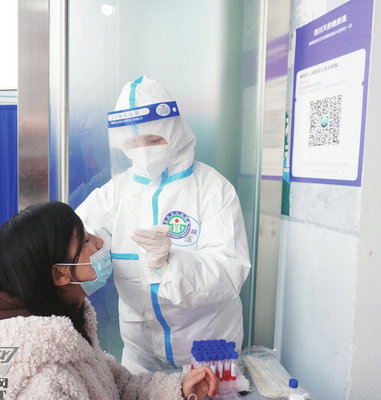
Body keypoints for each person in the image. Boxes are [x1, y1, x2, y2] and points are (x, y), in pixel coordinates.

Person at [0, 201, 219, 400]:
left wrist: (179, 389)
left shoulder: (64, 329)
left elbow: (114, 387)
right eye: (85, 240)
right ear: (60, 273)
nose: (100, 242)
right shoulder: (41, 380)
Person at [76, 76, 252, 373]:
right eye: (133, 143)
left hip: (207, 350)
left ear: (174, 132)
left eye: (153, 140)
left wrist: (170, 265)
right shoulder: (115, 193)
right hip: (140, 354)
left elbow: (230, 270)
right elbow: (72, 237)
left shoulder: (212, 188)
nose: (143, 150)